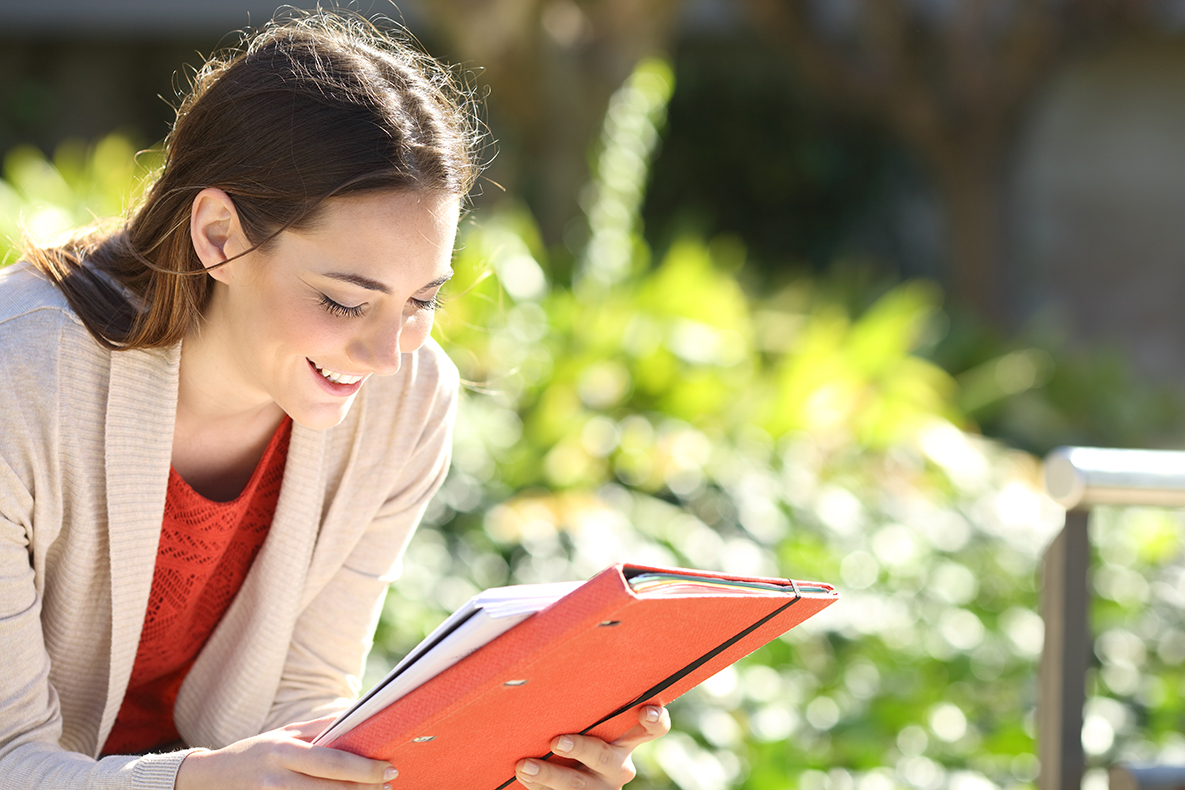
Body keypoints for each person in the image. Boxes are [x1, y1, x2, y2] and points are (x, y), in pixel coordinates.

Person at [0, 11, 669, 790]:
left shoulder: (406, 403)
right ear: (218, 235)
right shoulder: (21, 383)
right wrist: (200, 782)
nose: (386, 357)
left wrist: (506, 764)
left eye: (423, 301)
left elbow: (305, 712)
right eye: (347, 302)